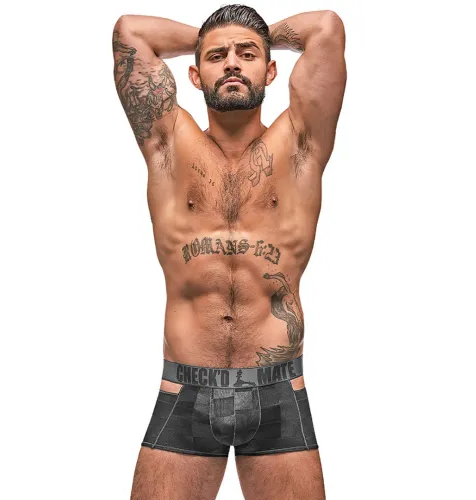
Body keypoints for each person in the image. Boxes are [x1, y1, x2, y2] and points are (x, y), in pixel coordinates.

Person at [112, 4, 346, 499]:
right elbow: (130, 32)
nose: (233, 63)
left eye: (248, 55)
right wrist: (221, 39)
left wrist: (236, 38)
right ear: (195, 75)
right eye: (217, 57)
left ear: (271, 70)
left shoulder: (301, 144)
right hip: (185, 390)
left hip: (279, 389)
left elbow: (325, 27)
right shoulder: (168, 144)